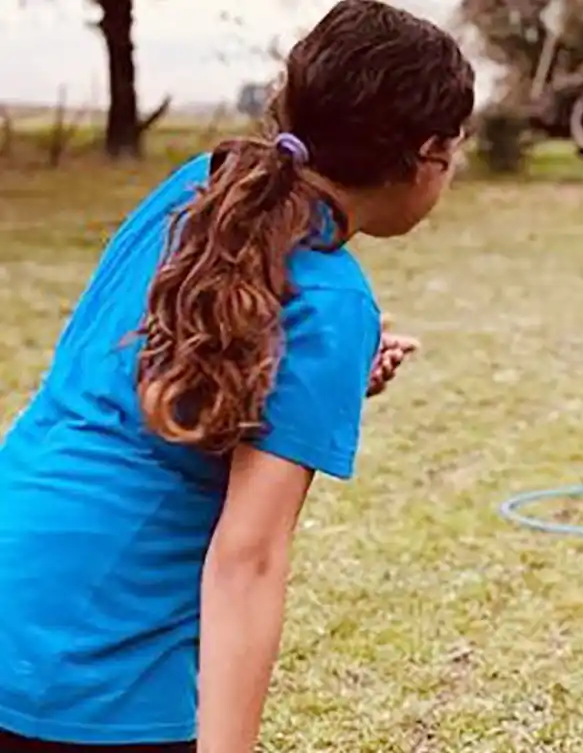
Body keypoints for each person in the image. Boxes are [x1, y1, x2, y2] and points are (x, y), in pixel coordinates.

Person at [0, 1, 474, 751]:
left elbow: (181, 355)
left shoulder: (205, 184)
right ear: (425, 155)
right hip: (89, 654)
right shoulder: (331, 299)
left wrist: (323, 376)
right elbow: (246, 562)